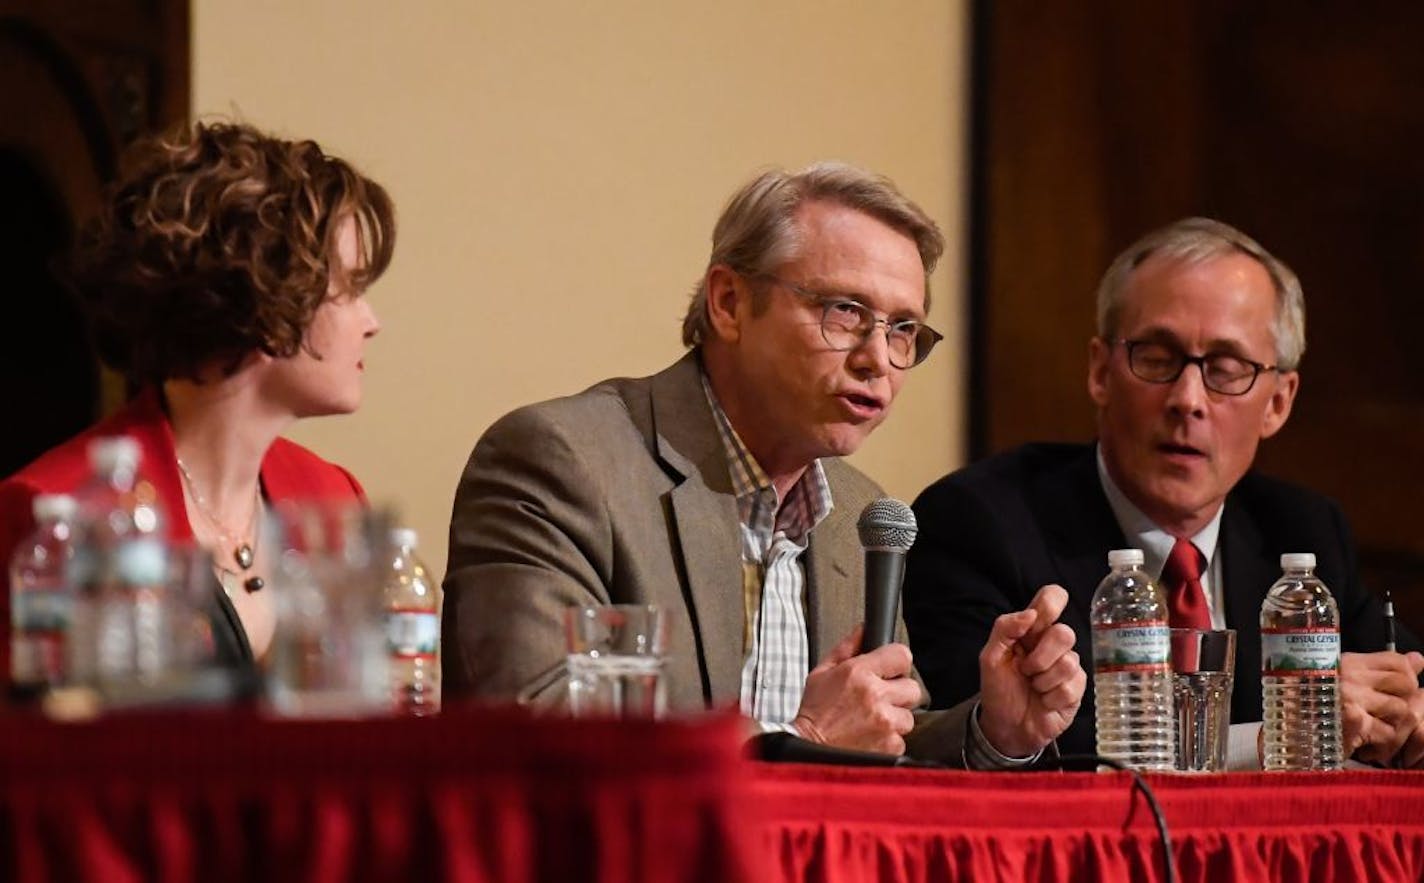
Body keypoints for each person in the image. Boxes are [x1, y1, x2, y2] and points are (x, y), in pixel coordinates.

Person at [443, 162, 1084, 766]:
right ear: (729, 303)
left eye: (902, 329)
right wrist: (803, 741)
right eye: (846, 312)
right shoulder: (565, 463)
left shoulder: (861, 514)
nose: (878, 359)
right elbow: (529, 731)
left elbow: (882, 742)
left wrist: (992, 732)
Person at [904, 217, 1424, 766]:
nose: (1188, 399)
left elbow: (1404, 684)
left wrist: (1406, 712)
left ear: (1278, 402)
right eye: (1156, 358)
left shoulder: (1302, 531)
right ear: (1101, 371)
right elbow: (987, 741)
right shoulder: (980, 522)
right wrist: (1288, 735)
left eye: (1226, 369)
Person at [0, 120, 395, 683]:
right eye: (352, 289)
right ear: (264, 299)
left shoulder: (335, 498)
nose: (372, 323)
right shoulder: (51, 511)